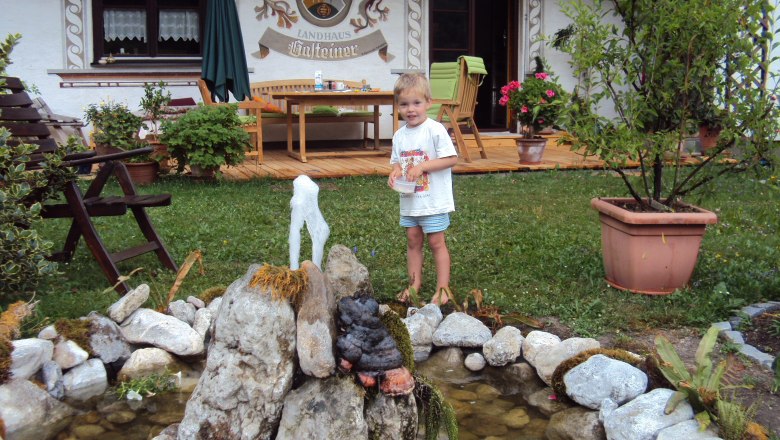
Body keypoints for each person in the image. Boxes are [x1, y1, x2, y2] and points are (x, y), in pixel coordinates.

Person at [388, 73, 458, 305]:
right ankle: (414, 284)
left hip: (432, 200)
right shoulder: (399, 136)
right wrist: (396, 171)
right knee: (412, 239)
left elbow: (450, 159)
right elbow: (397, 161)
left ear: (428, 102)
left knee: (436, 241)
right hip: (410, 200)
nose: (411, 109)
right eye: (404, 104)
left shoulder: (435, 130)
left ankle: (443, 288)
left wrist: (423, 166)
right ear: (398, 106)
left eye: (417, 103)